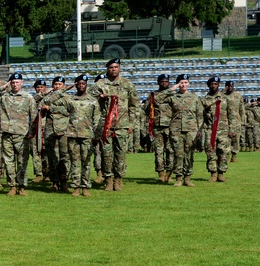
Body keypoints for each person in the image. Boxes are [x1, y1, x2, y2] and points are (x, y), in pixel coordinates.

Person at [89, 58, 140, 192]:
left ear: (120, 68)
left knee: (120, 154)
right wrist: (99, 98)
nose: (113, 69)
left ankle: (118, 179)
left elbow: (134, 106)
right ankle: (108, 180)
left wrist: (131, 124)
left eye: (116, 67)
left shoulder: (127, 84)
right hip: (105, 125)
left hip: (122, 125)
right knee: (106, 153)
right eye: (111, 67)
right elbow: (88, 101)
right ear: (107, 69)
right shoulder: (100, 84)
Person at [0, 73, 36, 196]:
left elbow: (34, 117)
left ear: (22, 83)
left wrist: (32, 132)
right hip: (7, 133)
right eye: (12, 82)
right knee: (8, 162)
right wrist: (2, 87)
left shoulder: (28, 97)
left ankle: (22, 186)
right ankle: (12, 186)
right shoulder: (4, 96)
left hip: (22, 134)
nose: (15, 84)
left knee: (22, 162)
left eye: (17, 82)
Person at [58, 75, 102, 196]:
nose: (81, 86)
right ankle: (76, 186)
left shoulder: (93, 101)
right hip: (73, 135)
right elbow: (51, 100)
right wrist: (65, 89)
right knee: (74, 162)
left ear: (86, 85)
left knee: (86, 162)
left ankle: (85, 186)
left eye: (83, 84)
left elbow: (97, 119)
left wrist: (97, 136)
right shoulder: (70, 100)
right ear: (75, 85)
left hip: (87, 135)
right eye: (79, 84)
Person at [163, 74, 201, 187]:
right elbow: (157, 99)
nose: (183, 85)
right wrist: (171, 89)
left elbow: (199, 115)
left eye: (185, 82)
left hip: (191, 130)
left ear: (188, 84)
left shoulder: (194, 98)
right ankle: (178, 178)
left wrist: (198, 129)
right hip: (176, 129)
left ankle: (188, 178)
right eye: (181, 83)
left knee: (189, 154)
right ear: (178, 84)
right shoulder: (173, 97)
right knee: (178, 154)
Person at [201, 76, 237, 182]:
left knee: (224, 152)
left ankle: (221, 173)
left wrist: (232, 129)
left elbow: (232, 115)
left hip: (223, 129)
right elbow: (201, 115)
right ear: (208, 85)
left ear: (219, 85)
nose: (213, 86)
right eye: (212, 84)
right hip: (210, 129)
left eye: (216, 84)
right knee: (210, 152)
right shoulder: (204, 99)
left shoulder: (225, 98)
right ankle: (213, 173)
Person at [40, 77, 70, 191]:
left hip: (64, 130)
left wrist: (51, 108)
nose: (57, 86)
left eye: (60, 84)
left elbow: (70, 111)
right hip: (50, 130)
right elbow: (40, 108)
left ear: (64, 85)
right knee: (52, 157)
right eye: (55, 84)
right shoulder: (47, 98)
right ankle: (54, 182)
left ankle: (64, 181)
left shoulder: (68, 98)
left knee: (64, 157)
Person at [146, 74, 175, 183]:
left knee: (170, 150)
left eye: (166, 81)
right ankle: (160, 173)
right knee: (158, 151)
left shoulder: (173, 95)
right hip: (157, 127)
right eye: (162, 81)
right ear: (158, 83)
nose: (164, 83)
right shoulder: (153, 95)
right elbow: (146, 109)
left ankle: (169, 173)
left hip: (170, 126)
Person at [224, 81, 244, 163]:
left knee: (236, 139)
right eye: (228, 86)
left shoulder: (238, 96)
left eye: (231, 86)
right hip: (225, 121)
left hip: (236, 121)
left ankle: (234, 155)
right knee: (226, 139)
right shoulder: (223, 96)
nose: (230, 87)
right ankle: (227, 155)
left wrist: (242, 121)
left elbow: (242, 109)